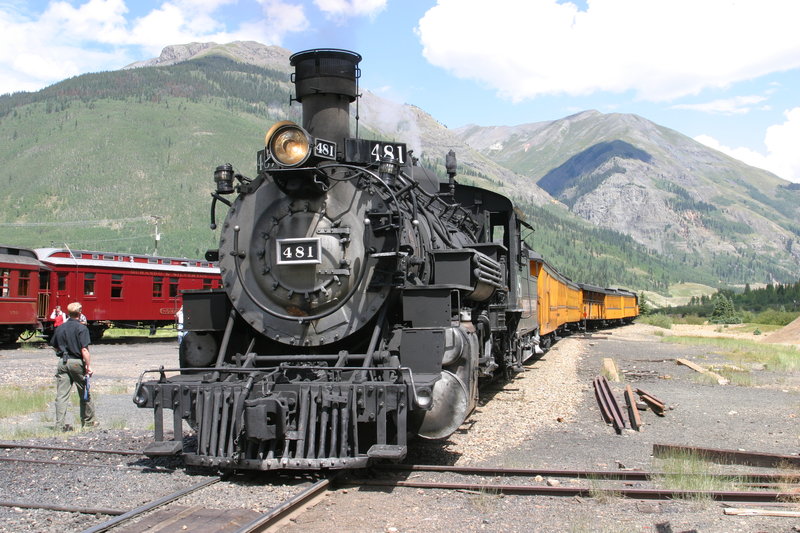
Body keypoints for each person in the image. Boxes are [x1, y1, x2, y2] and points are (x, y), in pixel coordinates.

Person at [50, 302, 97, 431]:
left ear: (68, 313)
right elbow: (84, 350)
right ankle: (88, 423)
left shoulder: (60, 327)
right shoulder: (82, 328)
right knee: (84, 392)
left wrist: (61, 353)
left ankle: (59, 425)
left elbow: (54, 345)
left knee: (61, 395)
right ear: (80, 313)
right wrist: (88, 366)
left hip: (62, 362)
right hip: (76, 362)